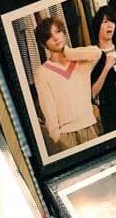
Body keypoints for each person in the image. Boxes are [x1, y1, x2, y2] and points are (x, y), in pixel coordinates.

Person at [33, 16, 101, 152]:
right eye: (49, 36)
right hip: (66, 135)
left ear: (64, 33)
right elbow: (48, 109)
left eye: (58, 31)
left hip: (90, 126)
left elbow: (97, 52)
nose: (55, 38)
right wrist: (57, 137)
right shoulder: (42, 72)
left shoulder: (80, 62)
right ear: (43, 44)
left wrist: (69, 52)